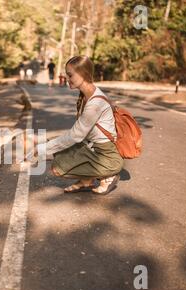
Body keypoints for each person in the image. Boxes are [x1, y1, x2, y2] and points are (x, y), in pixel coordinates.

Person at [30, 55, 124, 195]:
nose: (67, 79)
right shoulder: (85, 95)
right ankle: (86, 180)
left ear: (84, 74)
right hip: (91, 146)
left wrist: (42, 149)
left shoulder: (95, 103)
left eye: (70, 75)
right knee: (58, 150)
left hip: (106, 155)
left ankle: (108, 175)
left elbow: (75, 136)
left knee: (58, 166)